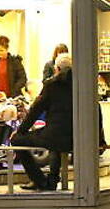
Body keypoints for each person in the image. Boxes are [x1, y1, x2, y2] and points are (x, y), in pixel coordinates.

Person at [11, 54, 74, 191]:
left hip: (55, 135)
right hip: (76, 137)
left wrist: (20, 131)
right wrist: (100, 139)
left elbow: (35, 110)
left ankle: (39, 180)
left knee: (17, 140)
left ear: (57, 69)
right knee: (55, 140)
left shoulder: (52, 85)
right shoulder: (82, 86)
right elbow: (96, 110)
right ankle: (51, 179)